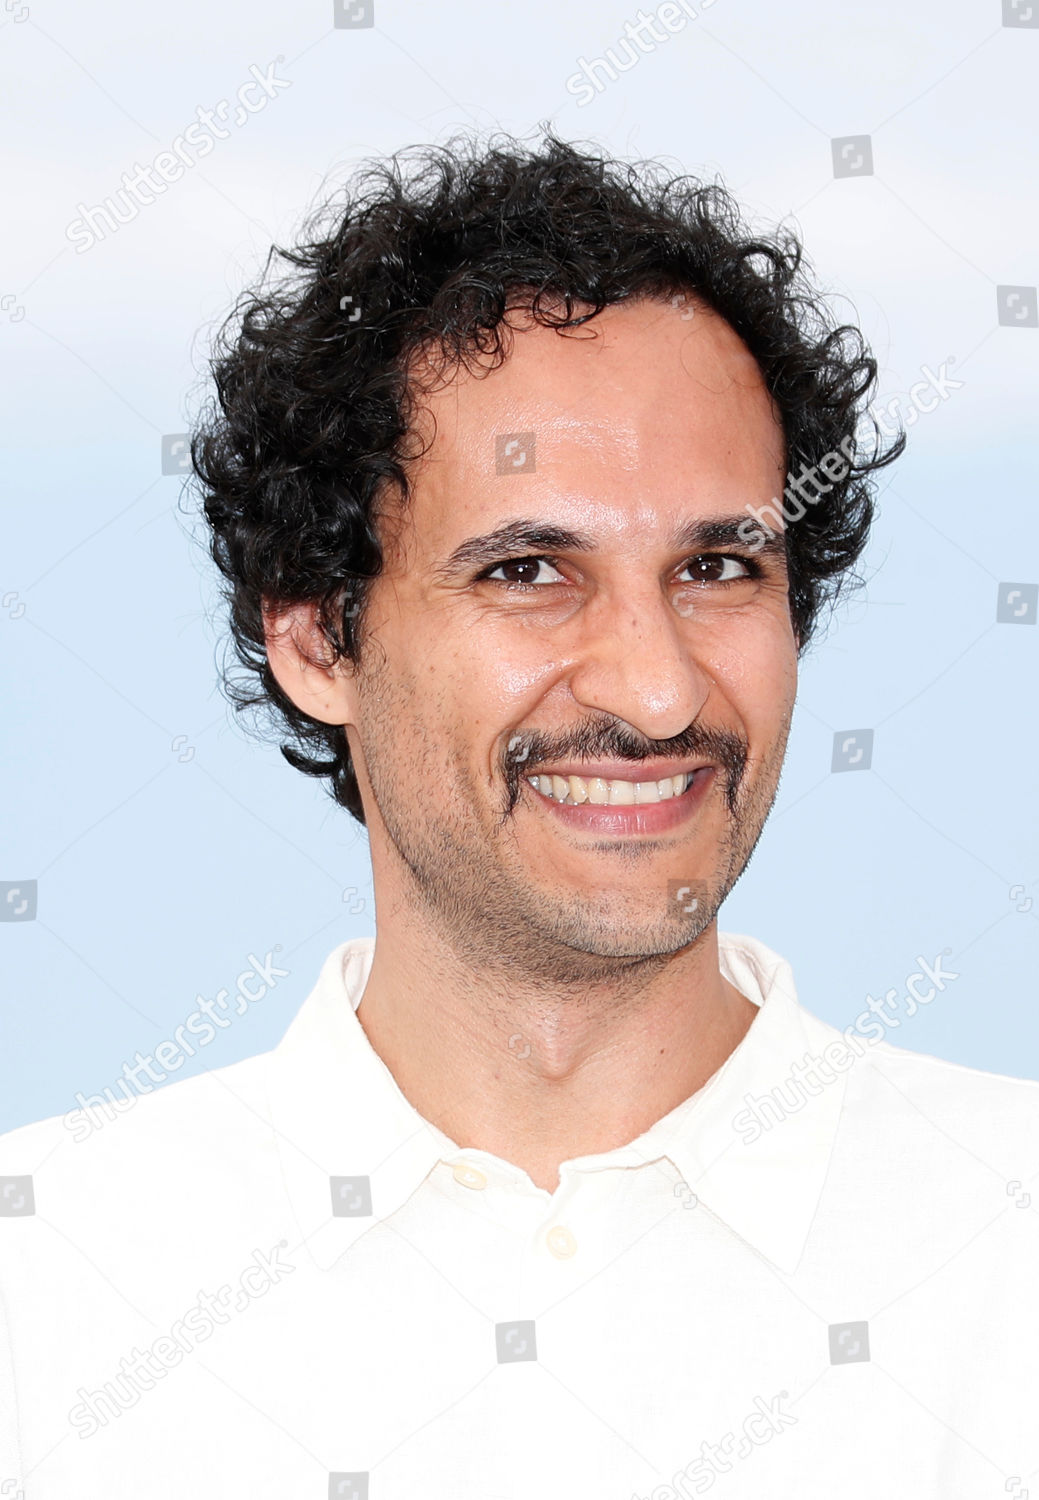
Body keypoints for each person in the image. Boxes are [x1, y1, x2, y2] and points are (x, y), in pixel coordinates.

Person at [1, 131, 1036, 1499]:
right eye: (532, 569)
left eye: (720, 565)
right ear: (318, 640)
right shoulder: (47, 1292)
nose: (660, 690)